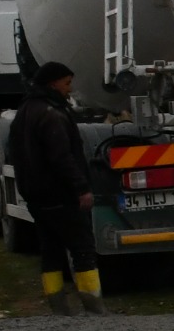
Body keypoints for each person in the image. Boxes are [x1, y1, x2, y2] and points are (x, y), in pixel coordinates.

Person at [8, 63, 105, 313]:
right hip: (60, 193)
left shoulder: (25, 110)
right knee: (83, 247)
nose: (69, 89)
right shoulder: (53, 114)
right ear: (53, 84)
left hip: (35, 194)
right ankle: (93, 303)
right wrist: (81, 188)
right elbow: (62, 157)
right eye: (66, 83)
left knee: (50, 248)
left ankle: (57, 303)